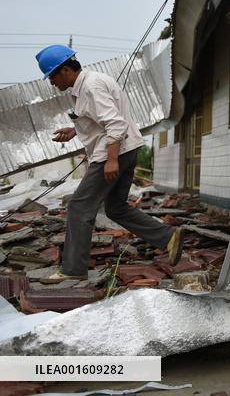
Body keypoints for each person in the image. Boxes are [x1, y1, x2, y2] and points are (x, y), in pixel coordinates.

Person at [34, 45, 183, 283]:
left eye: (51, 75)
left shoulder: (91, 87)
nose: (51, 82)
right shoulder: (85, 86)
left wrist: (112, 160)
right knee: (115, 207)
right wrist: (75, 130)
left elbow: (115, 124)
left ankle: (73, 270)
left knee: (79, 207)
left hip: (114, 152)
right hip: (126, 149)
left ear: (64, 70)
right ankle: (168, 237)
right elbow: (101, 119)